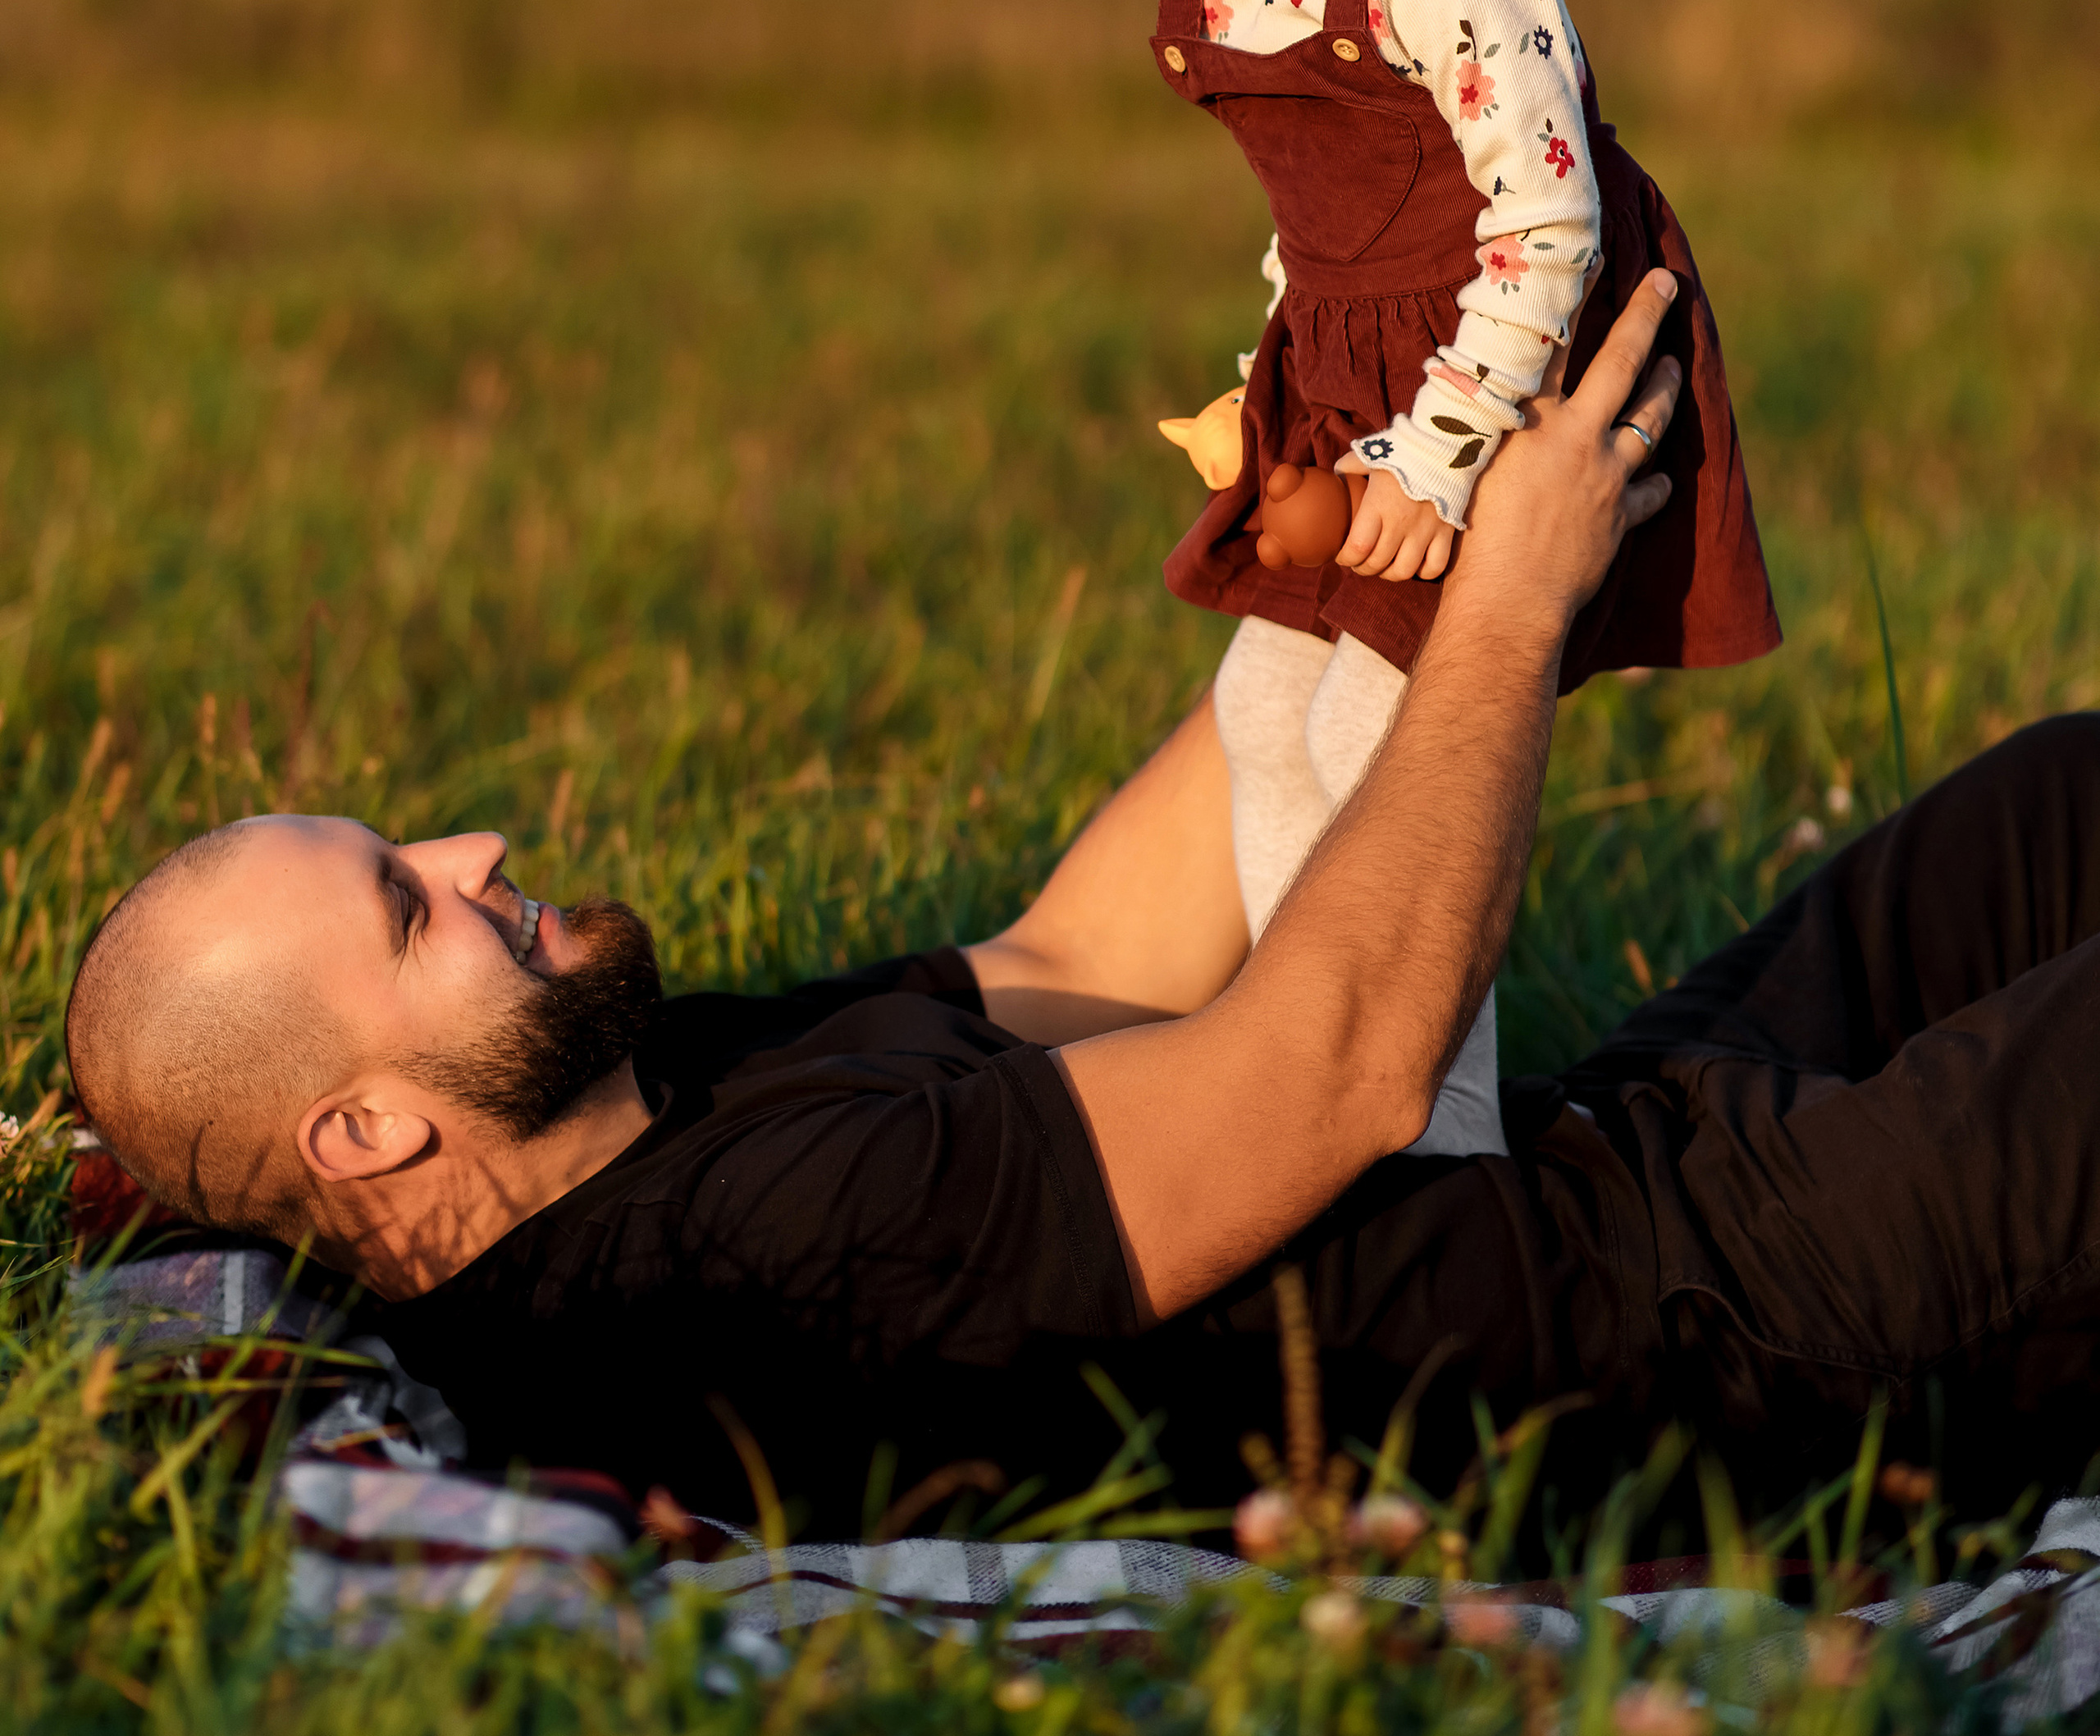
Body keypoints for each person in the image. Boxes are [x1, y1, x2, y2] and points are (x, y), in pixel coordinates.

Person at [66, 281, 2100, 1546]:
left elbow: (1073, 964)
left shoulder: (644, 1095)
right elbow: (1340, 1070)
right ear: (366, 1136)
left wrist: (1347, 560)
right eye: (408, 908)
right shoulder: (735, 1271)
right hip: (1730, 1323)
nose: (480, 853)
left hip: (1615, 1147)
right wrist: (1506, 609)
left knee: (2066, 797)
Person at [1027, 0, 1780, 1154]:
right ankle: (1312, 1068)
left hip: (1514, 358)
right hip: (1364, 361)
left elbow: (1544, 213)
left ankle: (1424, 1139)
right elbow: (1322, 213)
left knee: (1390, 744)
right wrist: (1276, 382)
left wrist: (1436, 465)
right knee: (1259, 716)